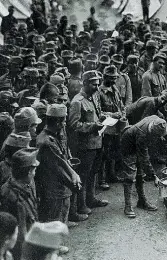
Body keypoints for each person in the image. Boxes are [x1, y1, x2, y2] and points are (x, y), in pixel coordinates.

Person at [68, 70, 109, 216]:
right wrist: (92, 126)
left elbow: (95, 114)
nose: (97, 88)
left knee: (93, 173)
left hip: (97, 142)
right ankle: (81, 205)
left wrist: (102, 118)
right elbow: (73, 125)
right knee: (84, 176)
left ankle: (91, 199)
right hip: (85, 146)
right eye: (93, 85)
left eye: (98, 84)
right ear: (84, 83)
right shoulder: (77, 102)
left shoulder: (94, 96)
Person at [36, 104, 82, 226]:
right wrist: (73, 182)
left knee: (61, 218)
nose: (65, 123)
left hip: (58, 187)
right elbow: (57, 167)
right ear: (57, 122)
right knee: (55, 220)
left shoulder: (52, 136)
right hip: (54, 190)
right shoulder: (47, 142)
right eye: (64, 121)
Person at [120, 115, 167, 218]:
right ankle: (128, 206)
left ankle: (142, 201)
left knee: (140, 174)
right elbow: (144, 158)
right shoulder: (143, 135)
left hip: (136, 140)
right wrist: (154, 176)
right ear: (153, 132)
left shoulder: (156, 120)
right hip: (128, 146)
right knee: (130, 176)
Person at [0, 148, 39, 260]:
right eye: (34, 170)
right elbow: (21, 234)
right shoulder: (15, 198)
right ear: (28, 172)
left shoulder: (21, 185)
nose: (34, 173)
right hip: (22, 247)